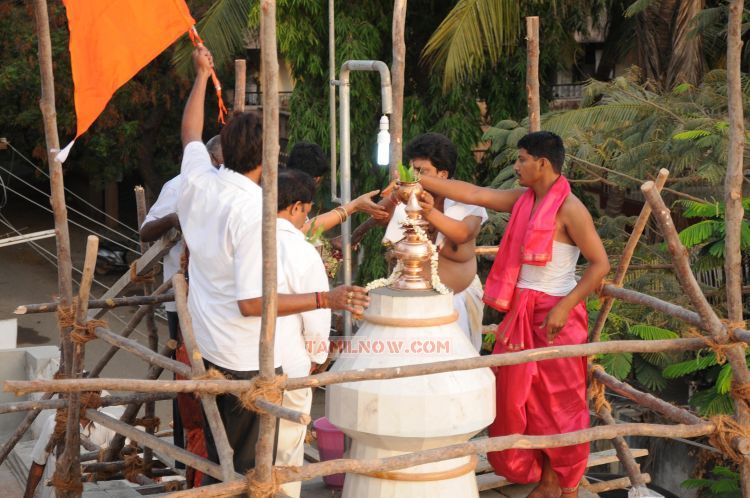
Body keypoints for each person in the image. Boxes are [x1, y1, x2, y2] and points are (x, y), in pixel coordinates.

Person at [177, 46, 369, 481]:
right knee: (252, 475)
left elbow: (190, 133)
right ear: (267, 157)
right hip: (244, 359)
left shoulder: (199, 180)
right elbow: (251, 303)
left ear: (222, 151)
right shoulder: (253, 212)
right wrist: (328, 297)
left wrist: (202, 76)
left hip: (206, 348)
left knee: (221, 462)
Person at [418, 131, 610, 498]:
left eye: (522, 159)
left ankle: (563, 482)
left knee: (559, 405)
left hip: (558, 318)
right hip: (523, 312)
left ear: (543, 163)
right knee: (522, 399)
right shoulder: (523, 200)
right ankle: (546, 479)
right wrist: (419, 180)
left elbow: (600, 265)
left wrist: (564, 306)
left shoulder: (570, 208)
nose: (516, 166)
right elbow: (474, 194)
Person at [139, 134, 222, 473]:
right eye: (216, 162)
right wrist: (173, 220)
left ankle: (212, 456)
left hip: (217, 301)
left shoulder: (228, 187)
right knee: (186, 381)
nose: (220, 168)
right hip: (184, 298)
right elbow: (145, 230)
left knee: (215, 375)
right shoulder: (178, 187)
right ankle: (183, 458)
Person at [386, 133, 488, 350]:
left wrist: (429, 212)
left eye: (422, 172)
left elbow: (462, 234)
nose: (415, 177)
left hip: (457, 301)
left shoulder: (467, 202)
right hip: (413, 300)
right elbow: (382, 226)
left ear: (443, 174)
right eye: (412, 171)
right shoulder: (409, 202)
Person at [273, 169, 331, 497]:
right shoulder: (302, 251)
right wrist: (317, 356)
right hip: (288, 363)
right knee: (285, 453)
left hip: (237, 360)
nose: (306, 220)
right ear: (296, 207)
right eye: (307, 211)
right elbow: (317, 315)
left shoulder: (246, 238)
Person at [23, 395, 125, 498]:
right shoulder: (54, 423)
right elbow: (39, 462)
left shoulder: (109, 422)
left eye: (94, 392)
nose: (89, 397)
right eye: (86, 393)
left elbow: (124, 460)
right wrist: (28, 495)